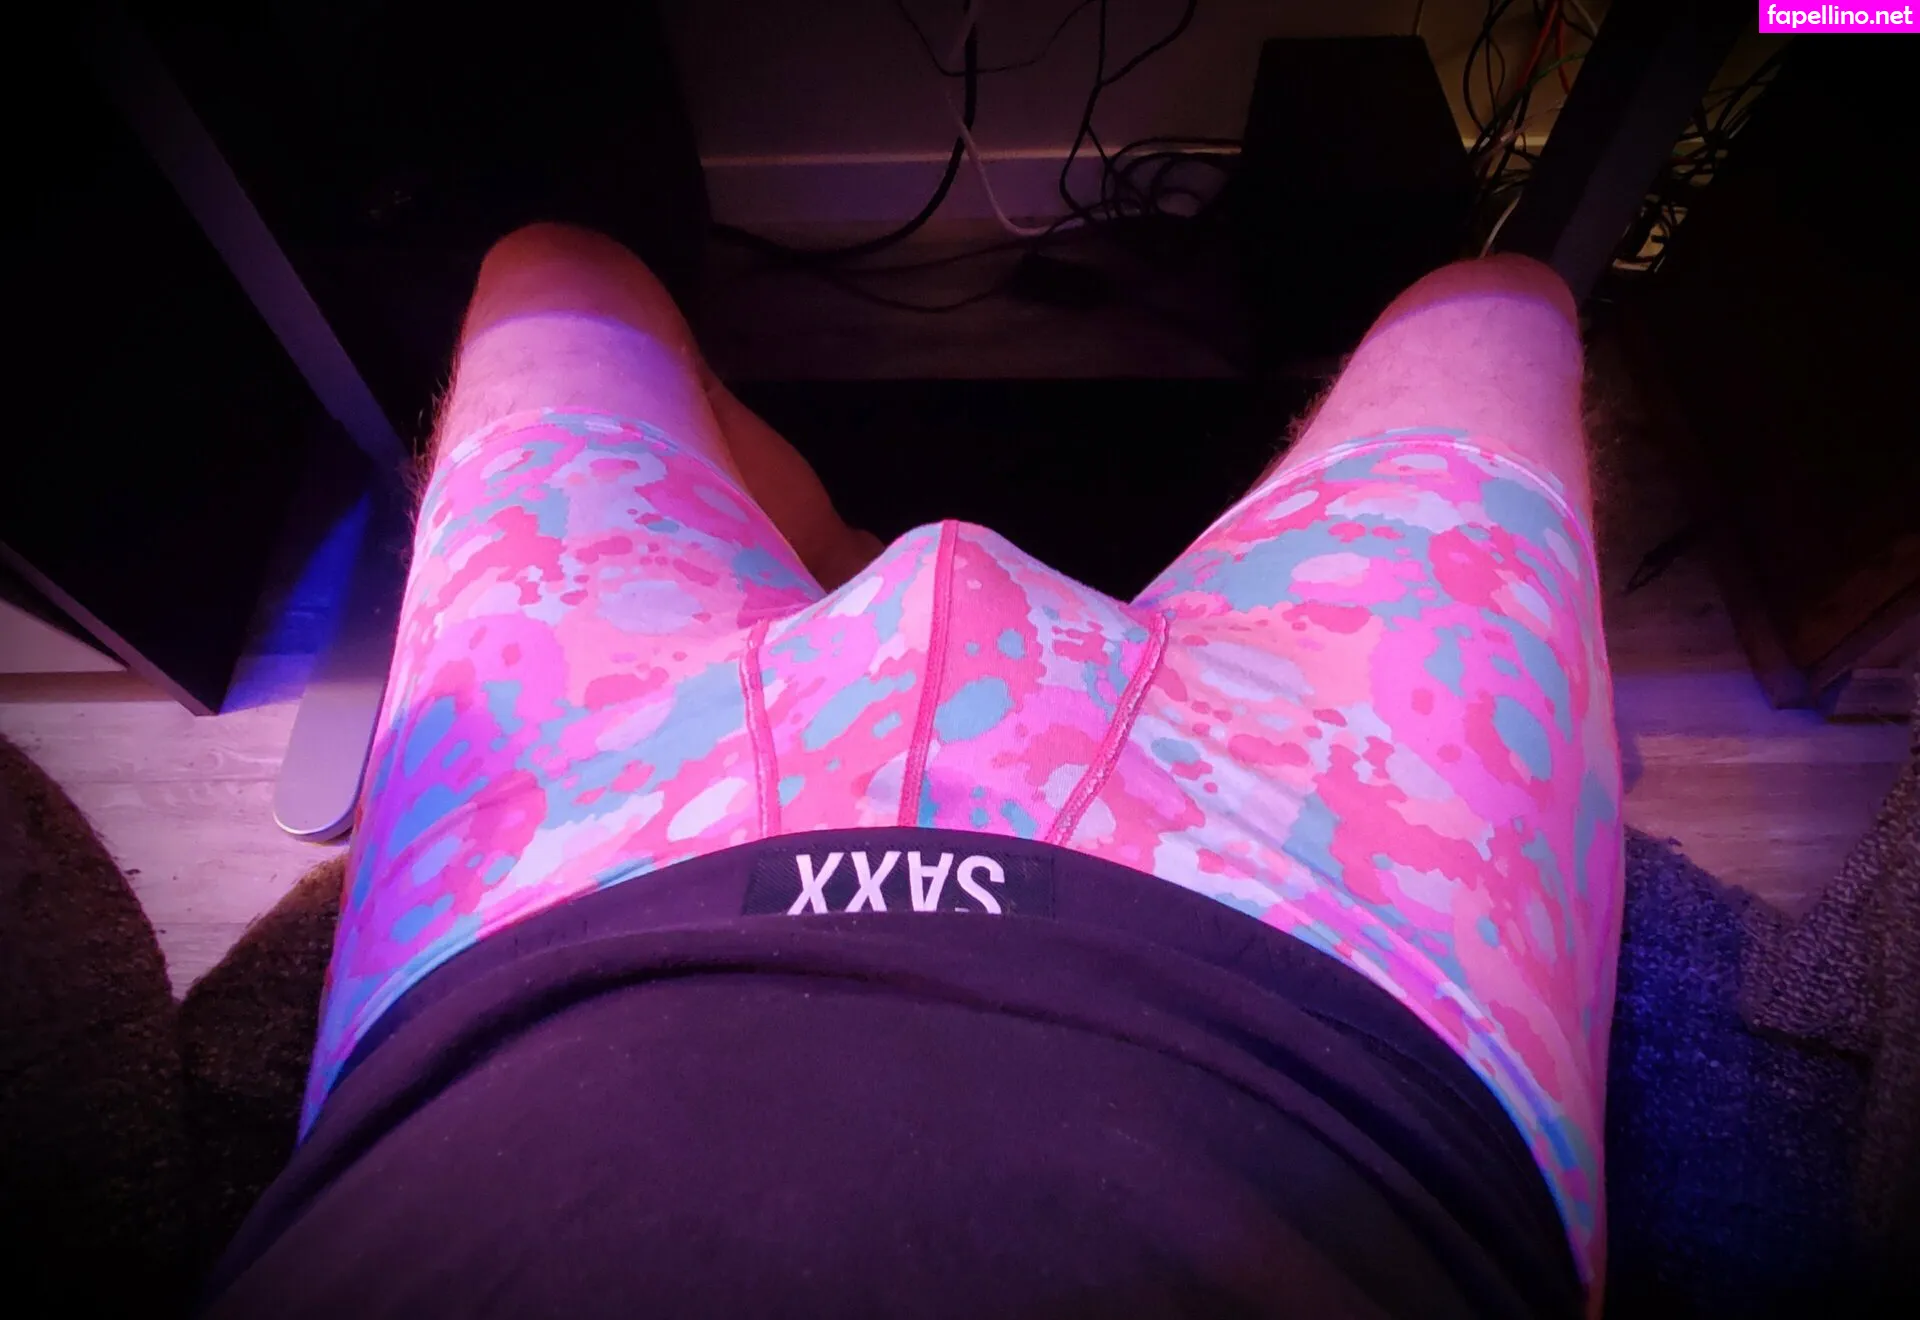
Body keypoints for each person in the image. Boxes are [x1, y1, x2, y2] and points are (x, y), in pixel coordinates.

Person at [203, 224, 1620, 1318]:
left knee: (556, 280)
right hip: (1330, 966)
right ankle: (928, 598)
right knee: (1497, 305)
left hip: (555, 907)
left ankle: (816, 579)